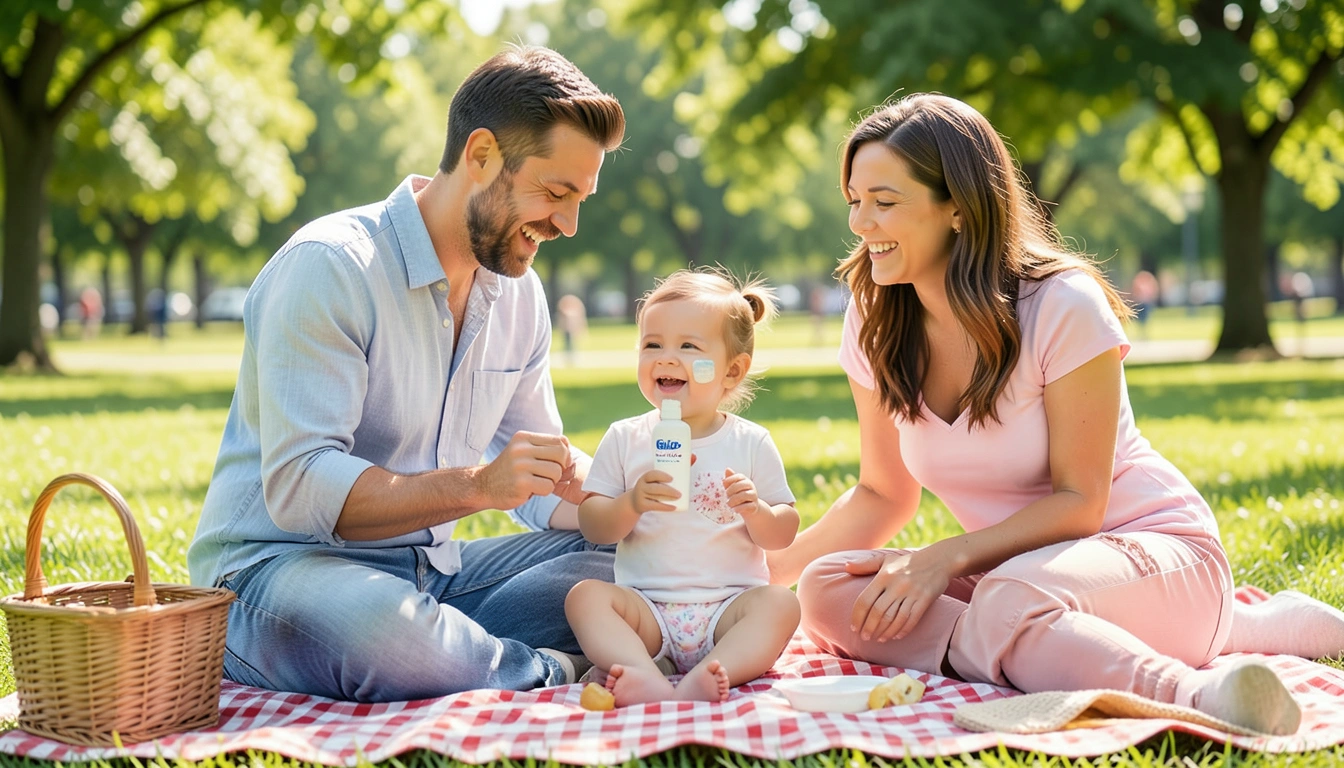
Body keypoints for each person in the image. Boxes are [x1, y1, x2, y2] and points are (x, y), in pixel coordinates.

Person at [774, 94, 1344, 737]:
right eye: (854, 200)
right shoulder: (874, 318)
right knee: (826, 589)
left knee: (1006, 600)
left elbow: (1080, 504)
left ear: (958, 205)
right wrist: (750, 576)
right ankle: (1123, 641)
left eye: (884, 202)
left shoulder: (1060, 304)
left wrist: (943, 560)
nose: (860, 223)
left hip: (1152, 549)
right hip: (1013, 578)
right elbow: (881, 493)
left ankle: (1194, 693)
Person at [187, 45, 626, 702]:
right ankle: (547, 669)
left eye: (579, 199)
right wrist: (480, 486)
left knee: (645, 566)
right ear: (480, 156)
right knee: (387, 634)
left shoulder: (519, 294)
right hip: (274, 579)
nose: (568, 223)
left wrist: (631, 502)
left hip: (431, 578)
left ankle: (471, 659)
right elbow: (303, 488)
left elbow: (536, 479)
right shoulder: (331, 267)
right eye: (556, 193)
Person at [566, 269, 801, 706]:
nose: (666, 357)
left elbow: (784, 531)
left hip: (728, 610)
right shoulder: (625, 437)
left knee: (781, 605)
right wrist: (631, 502)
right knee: (585, 598)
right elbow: (593, 525)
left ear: (731, 371)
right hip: (647, 611)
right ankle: (643, 670)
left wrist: (758, 513)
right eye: (652, 344)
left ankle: (717, 670)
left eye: (688, 346)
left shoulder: (749, 442)